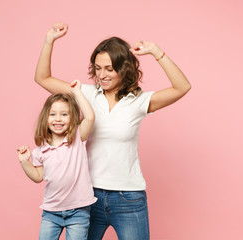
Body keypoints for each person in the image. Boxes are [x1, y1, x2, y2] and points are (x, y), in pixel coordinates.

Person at [34, 22, 191, 240]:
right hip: (87, 197)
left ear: (124, 68)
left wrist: (156, 51)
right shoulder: (85, 94)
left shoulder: (139, 101)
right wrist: (49, 40)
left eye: (109, 69)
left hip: (129, 199)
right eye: (98, 68)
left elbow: (182, 87)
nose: (102, 75)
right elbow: (43, 78)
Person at [17, 80, 97, 240]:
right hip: (51, 212)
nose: (58, 119)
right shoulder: (41, 151)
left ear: (72, 117)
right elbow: (38, 177)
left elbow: (89, 117)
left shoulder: (77, 138)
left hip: (78, 211)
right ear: (45, 118)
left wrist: (77, 93)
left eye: (64, 114)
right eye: (53, 114)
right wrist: (25, 162)